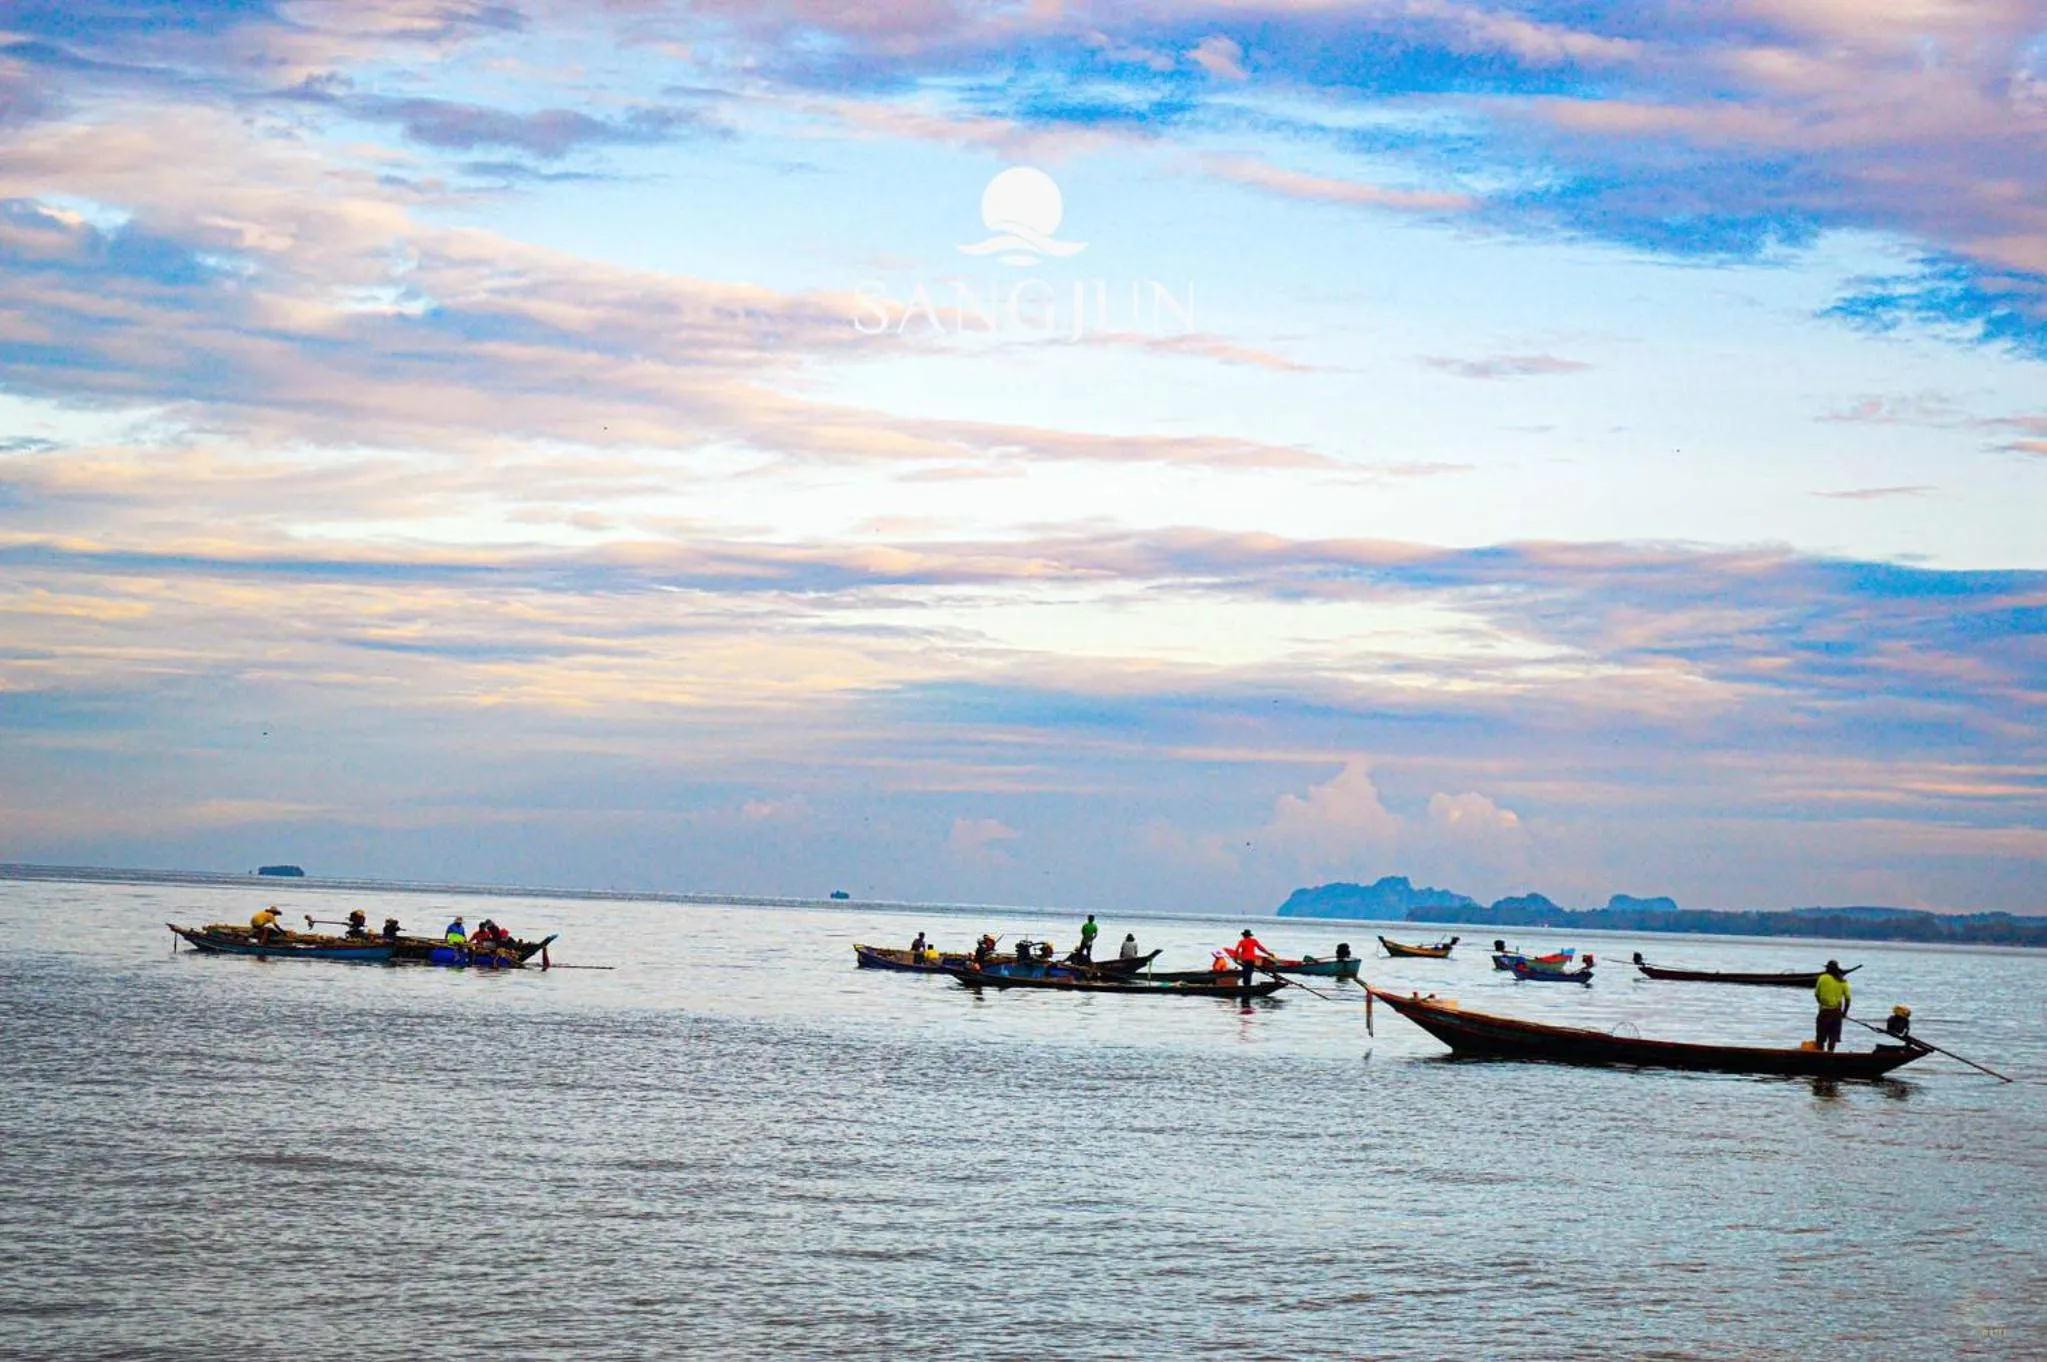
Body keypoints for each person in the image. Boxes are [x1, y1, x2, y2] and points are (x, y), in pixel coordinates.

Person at [1814, 960, 1852, 1051]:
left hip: (1824, 1012)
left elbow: (1817, 994)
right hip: (1836, 1013)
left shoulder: (1822, 978)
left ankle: (1820, 1055)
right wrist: (1844, 1013)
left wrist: (1822, 1003)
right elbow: (1848, 999)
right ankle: (1830, 1053)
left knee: (1820, 1037)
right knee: (1833, 1037)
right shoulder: (1843, 981)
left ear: (1827, 969)